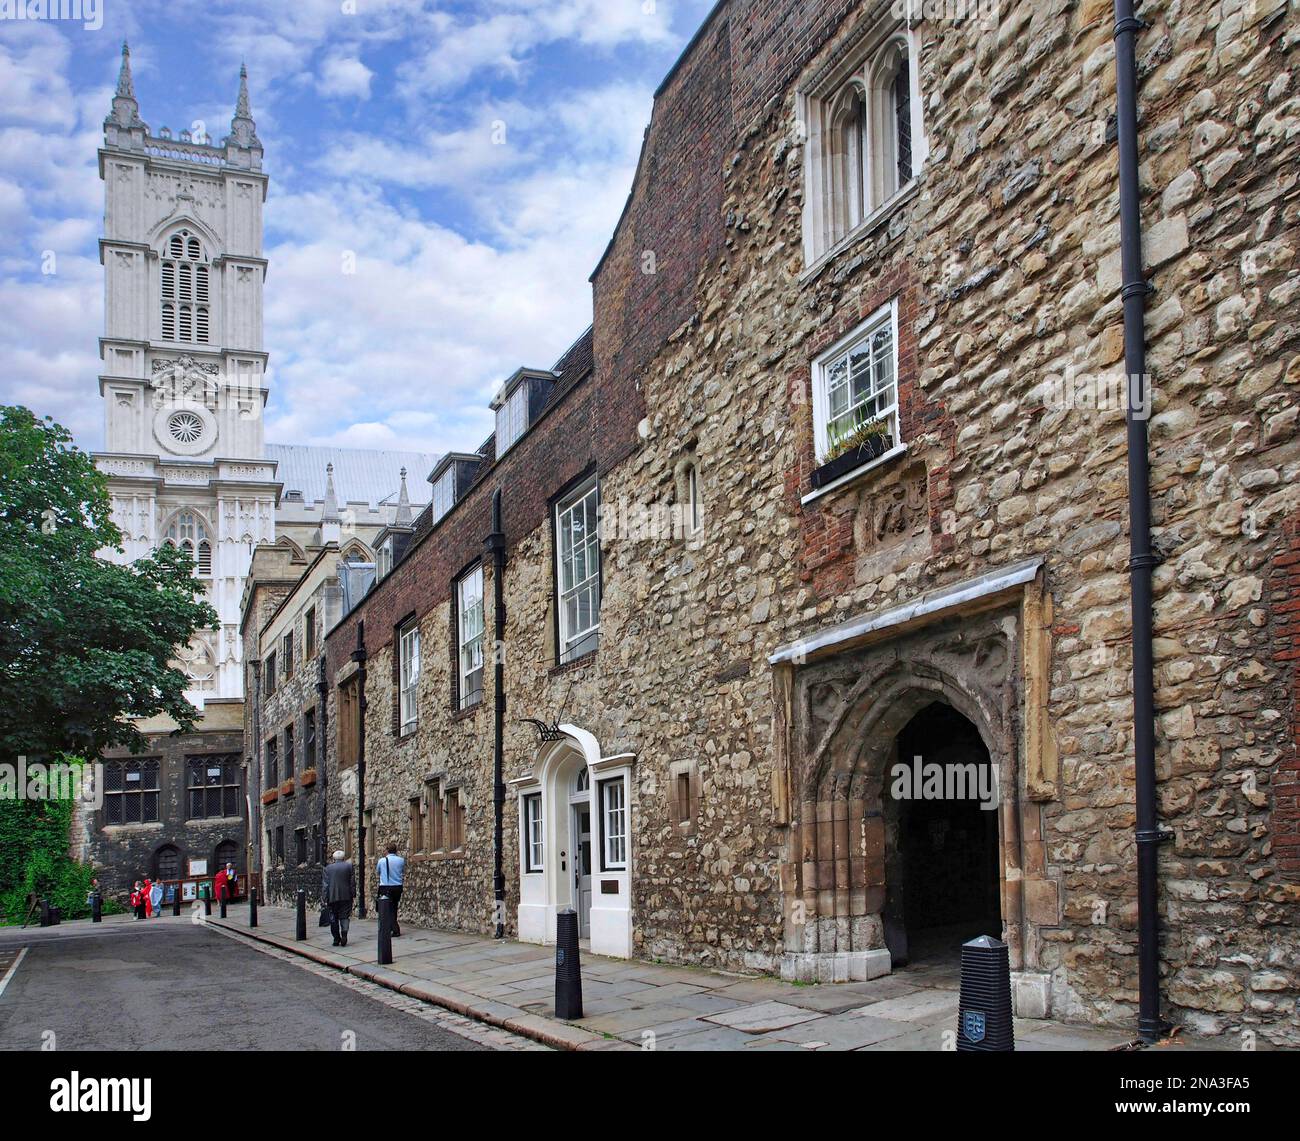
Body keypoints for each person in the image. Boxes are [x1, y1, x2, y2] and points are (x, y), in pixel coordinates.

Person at [321, 850, 355, 947]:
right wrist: (353, 894)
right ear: (343, 858)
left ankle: (336, 939)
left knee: (333, 918)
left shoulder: (328, 868)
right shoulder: (349, 866)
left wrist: (324, 898)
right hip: (346, 896)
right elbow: (352, 882)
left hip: (332, 897)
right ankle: (344, 934)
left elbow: (325, 885)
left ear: (334, 859)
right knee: (344, 916)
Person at [376, 842, 406, 937]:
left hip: (386, 887)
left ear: (387, 850)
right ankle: (392, 927)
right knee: (394, 907)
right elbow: (402, 871)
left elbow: (378, 871)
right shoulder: (401, 860)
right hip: (398, 887)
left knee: (386, 909)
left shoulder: (382, 861)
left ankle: (394, 928)